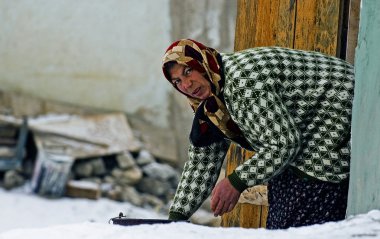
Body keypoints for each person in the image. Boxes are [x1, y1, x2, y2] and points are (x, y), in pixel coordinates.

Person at [161, 39, 354, 229]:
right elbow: (202, 163)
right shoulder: (211, 104)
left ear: (202, 63)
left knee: (303, 215)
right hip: (302, 139)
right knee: (281, 209)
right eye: (177, 81)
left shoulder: (243, 80)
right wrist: (175, 219)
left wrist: (236, 182)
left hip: (337, 113)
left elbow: (283, 144)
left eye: (188, 71)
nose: (186, 85)